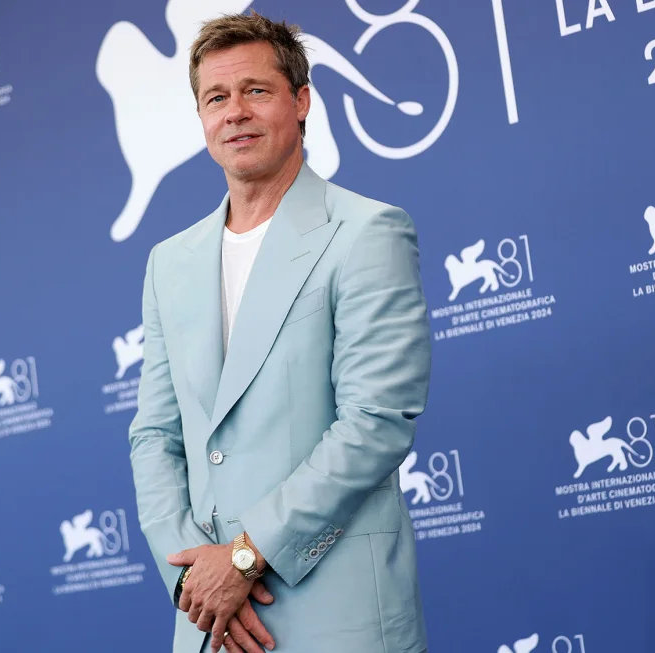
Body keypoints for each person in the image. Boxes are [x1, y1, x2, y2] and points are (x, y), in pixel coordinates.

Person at [126, 10, 432, 653]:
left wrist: (243, 558)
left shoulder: (367, 232)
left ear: (301, 103)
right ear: (202, 120)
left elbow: (375, 421)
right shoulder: (168, 262)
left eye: (255, 91)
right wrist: (195, 582)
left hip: (336, 615)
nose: (234, 111)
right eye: (216, 97)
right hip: (210, 624)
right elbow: (155, 436)